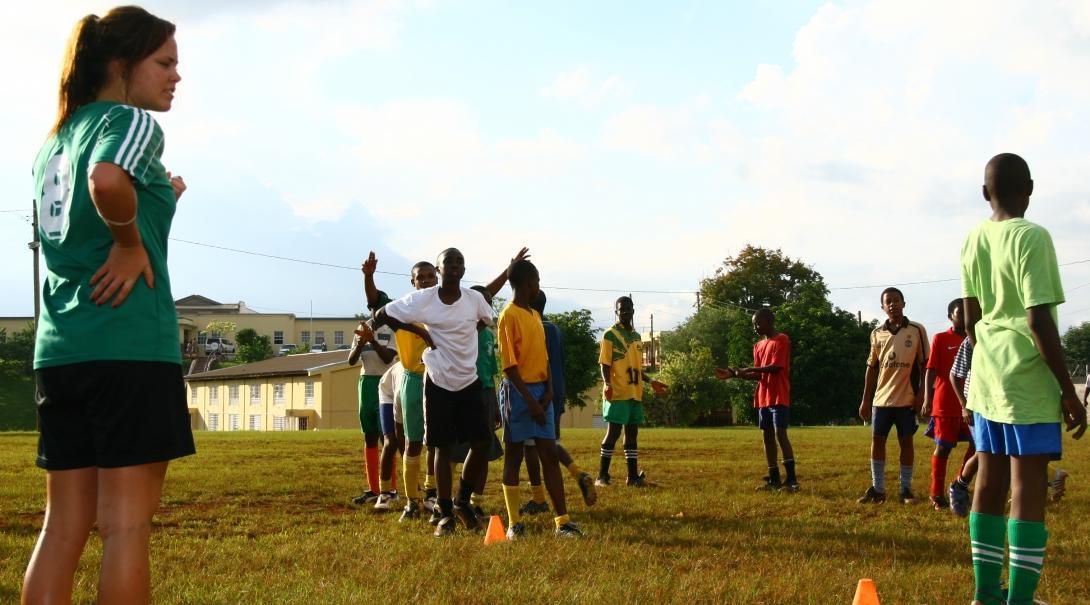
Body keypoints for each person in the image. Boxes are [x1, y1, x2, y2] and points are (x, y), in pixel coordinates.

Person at [23, 8, 195, 604]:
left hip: (62, 351)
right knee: (125, 526)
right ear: (122, 66)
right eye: (165, 63)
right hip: (128, 349)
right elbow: (106, 182)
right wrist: (128, 244)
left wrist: (159, 201)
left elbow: (89, 211)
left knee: (61, 527)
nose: (177, 76)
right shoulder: (129, 121)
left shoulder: (56, 140)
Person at [960, 153, 1086, 605]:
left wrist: (988, 359)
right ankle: (1021, 600)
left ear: (984, 192)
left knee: (988, 483)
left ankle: (985, 595)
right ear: (1029, 187)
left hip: (987, 375)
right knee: (1027, 486)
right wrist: (1069, 394)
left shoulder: (973, 237)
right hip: (1026, 377)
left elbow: (970, 319)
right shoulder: (1032, 236)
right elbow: (1038, 321)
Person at [363, 247, 522, 536]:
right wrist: (420, 332)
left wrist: (462, 338)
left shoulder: (473, 299)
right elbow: (383, 312)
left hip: (469, 381)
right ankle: (446, 513)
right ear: (440, 270)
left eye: (460, 261)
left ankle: (463, 501)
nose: (455, 265)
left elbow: (484, 319)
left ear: (463, 269)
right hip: (437, 382)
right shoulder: (424, 299)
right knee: (441, 446)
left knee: (482, 442)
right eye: (448, 262)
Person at [498, 261, 582, 538]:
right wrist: (529, 400)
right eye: (536, 281)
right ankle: (514, 524)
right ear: (526, 282)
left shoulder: (534, 315)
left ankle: (562, 522)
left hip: (541, 393)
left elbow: (543, 357)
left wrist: (547, 391)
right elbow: (509, 366)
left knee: (549, 454)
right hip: (517, 392)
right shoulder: (508, 316)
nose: (538, 286)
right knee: (514, 456)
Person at [361, 253, 435, 523]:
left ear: (437, 276)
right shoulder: (405, 307)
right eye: (421, 278)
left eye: (430, 276)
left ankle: (432, 494)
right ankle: (409, 500)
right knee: (408, 442)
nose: (426, 281)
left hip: (440, 379)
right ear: (413, 282)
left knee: (438, 443)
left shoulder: (449, 303)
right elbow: (376, 303)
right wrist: (368, 276)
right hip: (411, 380)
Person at [520, 290, 597, 513]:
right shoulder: (554, 329)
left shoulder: (533, 327)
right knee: (549, 442)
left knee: (530, 447)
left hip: (538, 392)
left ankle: (539, 499)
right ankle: (578, 473)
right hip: (556, 392)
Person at [858, 287, 929, 505]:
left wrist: (922, 395)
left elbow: (925, 365)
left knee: (905, 441)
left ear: (904, 304)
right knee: (877, 440)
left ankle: (905, 490)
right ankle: (878, 489)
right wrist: (866, 399)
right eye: (888, 301)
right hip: (881, 399)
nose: (893, 304)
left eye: (896, 300)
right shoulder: (876, 333)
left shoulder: (916, 330)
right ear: (882, 307)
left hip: (906, 398)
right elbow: (871, 367)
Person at [715, 307, 798, 492]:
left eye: (758, 323)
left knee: (780, 434)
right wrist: (735, 374)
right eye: (754, 325)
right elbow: (758, 376)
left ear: (770, 321)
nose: (756, 327)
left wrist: (748, 368)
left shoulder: (781, 339)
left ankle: (792, 480)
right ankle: (774, 478)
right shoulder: (758, 346)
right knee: (766, 436)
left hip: (778, 395)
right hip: (763, 397)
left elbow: (776, 367)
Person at [595, 296, 667, 488]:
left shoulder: (636, 337)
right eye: (621, 309)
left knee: (632, 433)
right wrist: (607, 383)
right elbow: (604, 364)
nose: (625, 312)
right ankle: (602, 477)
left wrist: (651, 381)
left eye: (628, 308)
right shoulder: (610, 335)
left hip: (635, 392)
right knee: (614, 432)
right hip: (617, 392)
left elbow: (635, 367)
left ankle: (633, 477)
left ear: (633, 310)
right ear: (616, 312)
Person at [347, 290, 398, 506]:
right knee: (369, 435)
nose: (378, 311)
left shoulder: (394, 329)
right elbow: (351, 361)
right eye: (375, 307)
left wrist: (374, 341)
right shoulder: (362, 327)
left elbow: (388, 359)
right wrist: (361, 342)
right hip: (366, 382)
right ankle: (373, 488)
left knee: (386, 437)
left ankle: (391, 488)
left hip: (385, 382)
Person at [921, 299, 972, 511]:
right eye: (960, 313)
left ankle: (959, 483)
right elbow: (931, 369)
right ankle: (936, 494)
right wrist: (927, 398)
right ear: (951, 315)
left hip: (973, 404)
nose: (965, 317)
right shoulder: (941, 339)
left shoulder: (977, 339)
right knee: (943, 448)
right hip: (945, 404)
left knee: (979, 446)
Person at [373, 361, 404, 511]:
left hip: (406, 396)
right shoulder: (404, 370)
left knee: (410, 445)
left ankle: (420, 492)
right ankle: (384, 493)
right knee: (391, 442)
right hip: (389, 395)